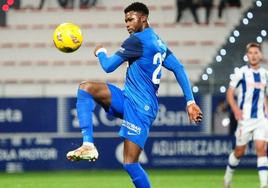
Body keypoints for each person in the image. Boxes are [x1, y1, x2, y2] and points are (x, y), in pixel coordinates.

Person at [66, 2, 203, 188]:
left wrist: (100, 52)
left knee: (130, 164)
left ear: (144, 18)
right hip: (128, 99)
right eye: (125, 20)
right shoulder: (157, 41)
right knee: (86, 88)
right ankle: (88, 145)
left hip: (141, 108)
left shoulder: (136, 40)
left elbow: (108, 66)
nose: (127, 24)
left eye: (131, 19)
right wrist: (190, 102)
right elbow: (178, 68)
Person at [223, 42, 268, 188]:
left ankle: (264, 185)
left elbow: (265, 95)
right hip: (245, 119)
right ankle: (227, 179)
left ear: (260, 55)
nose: (253, 56)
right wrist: (235, 109)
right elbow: (230, 92)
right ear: (247, 55)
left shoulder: (265, 74)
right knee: (239, 152)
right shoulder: (241, 72)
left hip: (261, 118)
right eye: (251, 53)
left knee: (261, 149)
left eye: (256, 53)